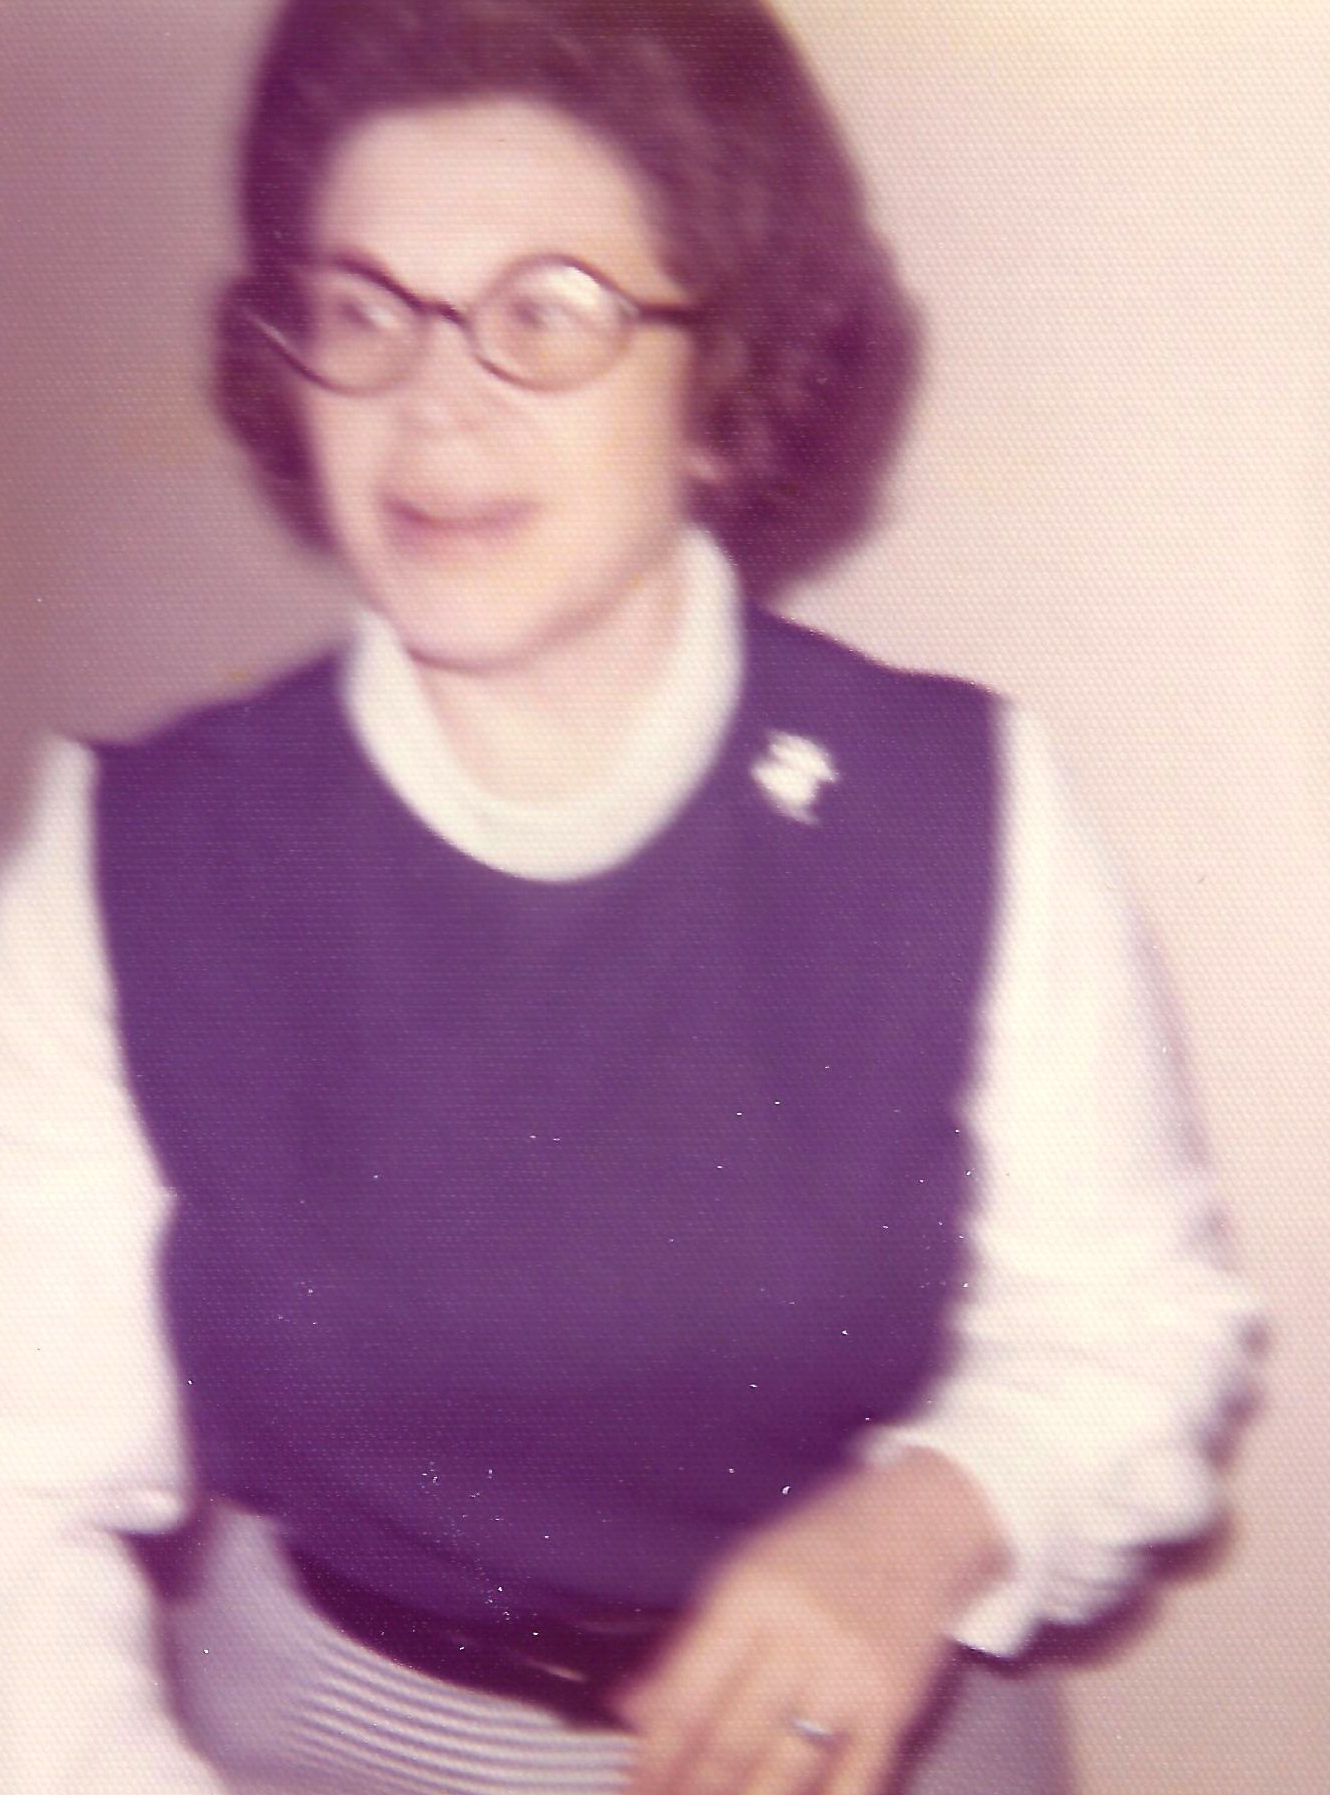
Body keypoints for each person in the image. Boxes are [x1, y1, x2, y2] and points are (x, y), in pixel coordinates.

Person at [0, 2, 1258, 1792]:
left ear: (720, 385)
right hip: (330, 1741)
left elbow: (1137, 1329)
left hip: (861, 1740)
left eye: (545, 312)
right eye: (363, 311)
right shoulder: (135, 857)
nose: (435, 400)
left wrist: (925, 1526)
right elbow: (16, 1484)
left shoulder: (957, 808)